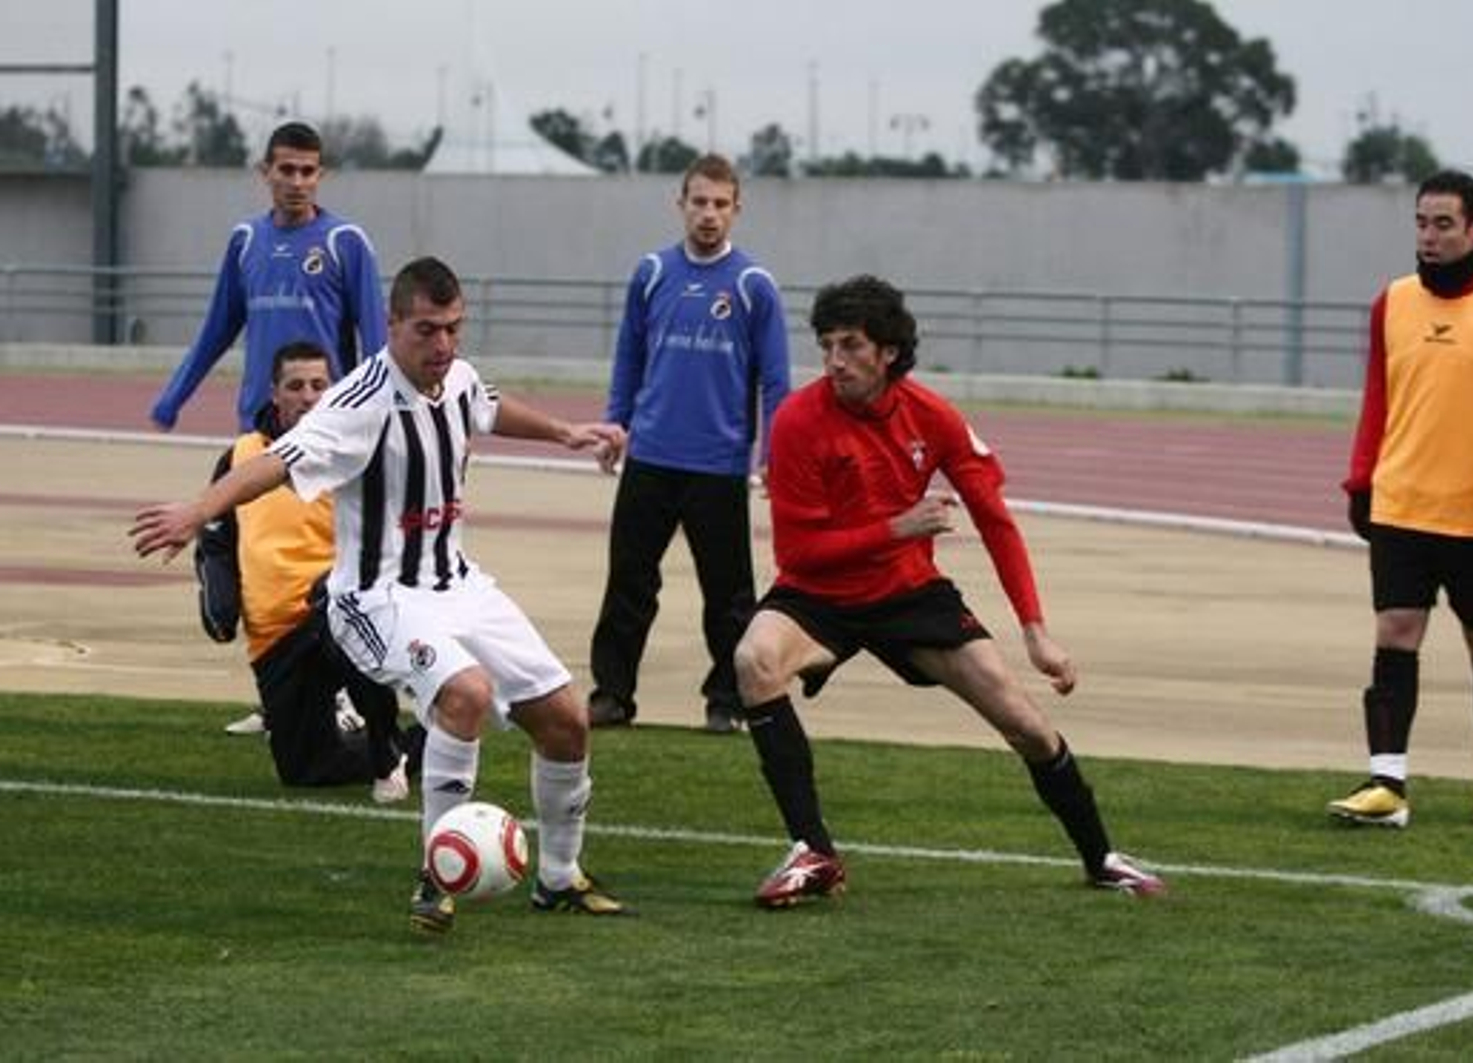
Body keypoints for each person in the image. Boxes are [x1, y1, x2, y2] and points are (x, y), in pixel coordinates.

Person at [132, 256, 632, 934]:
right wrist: (199, 510)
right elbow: (275, 462)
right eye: (427, 330)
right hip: (376, 596)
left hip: (458, 583)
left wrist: (565, 432)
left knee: (566, 719)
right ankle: (437, 875)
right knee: (466, 694)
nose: (443, 344)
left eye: (453, 328)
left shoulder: (454, 375)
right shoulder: (358, 401)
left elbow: (486, 404)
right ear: (392, 324)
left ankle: (559, 877)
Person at [731, 275, 1165, 908]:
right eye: (826, 346)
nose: (834, 361)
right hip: (818, 594)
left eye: (850, 345)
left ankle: (1101, 858)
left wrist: (1035, 630)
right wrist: (896, 528)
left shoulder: (932, 416)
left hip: (909, 595)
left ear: (887, 352)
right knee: (754, 659)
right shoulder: (797, 419)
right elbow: (798, 555)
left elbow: (995, 521)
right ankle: (814, 851)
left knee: (1025, 724)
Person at [1330, 169, 1473, 829]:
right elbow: (1378, 400)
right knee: (1395, 633)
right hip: (1402, 506)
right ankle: (1387, 784)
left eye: (1443, 224)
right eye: (1421, 223)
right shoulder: (1393, 303)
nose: (1428, 236)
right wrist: (1362, 481)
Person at [587, 153, 791, 734]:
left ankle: (728, 700)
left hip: (718, 466)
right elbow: (629, 357)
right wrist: (615, 425)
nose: (709, 214)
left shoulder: (754, 286)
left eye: (720, 204)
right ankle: (612, 695)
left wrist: (773, 456)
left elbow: (776, 382)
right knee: (629, 583)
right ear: (681, 204)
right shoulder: (652, 273)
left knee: (728, 595)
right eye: (699, 202)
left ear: (736, 210)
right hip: (650, 457)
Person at [193, 340, 415, 802]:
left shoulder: (355, 453)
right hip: (275, 633)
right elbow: (216, 537)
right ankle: (423, 746)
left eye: (318, 385)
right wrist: (219, 599)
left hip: (335, 606)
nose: (308, 396)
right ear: (274, 394)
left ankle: (384, 755)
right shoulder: (241, 456)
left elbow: (394, 534)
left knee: (344, 612)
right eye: (295, 386)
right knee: (307, 770)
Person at [150, 121, 386, 434]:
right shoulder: (245, 240)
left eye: (307, 172)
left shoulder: (345, 241)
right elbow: (215, 332)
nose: (297, 182)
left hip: (327, 423)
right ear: (265, 172)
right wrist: (172, 399)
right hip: (258, 422)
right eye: (287, 170)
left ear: (320, 175)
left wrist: (379, 418)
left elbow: (376, 342)